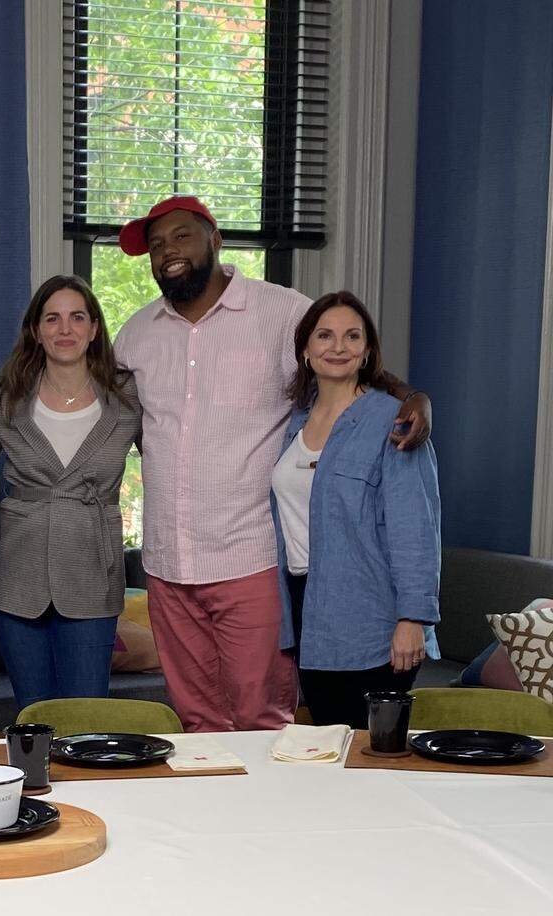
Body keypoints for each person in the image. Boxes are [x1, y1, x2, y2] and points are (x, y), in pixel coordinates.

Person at [113, 195, 432, 732]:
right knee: (196, 722)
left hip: (251, 559)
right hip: (168, 564)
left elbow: (346, 358)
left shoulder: (281, 312)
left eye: (181, 236)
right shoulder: (136, 333)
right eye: (157, 244)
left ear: (216, 240)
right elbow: (83, 386)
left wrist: (415, 399)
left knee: (263, 719)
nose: (168, 251)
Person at [271, 291, 440, 728]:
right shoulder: (294, 421)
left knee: (374, 759)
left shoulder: (394, 422)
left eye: (352, 336)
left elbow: (416, 528)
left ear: (366, 351)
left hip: (374, 618)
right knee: (330, 752)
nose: (338, 346)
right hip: (308, 612)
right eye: (325, 335)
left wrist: (412, 618)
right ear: (306, 349)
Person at [0, 275, 140, 711]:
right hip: (18, 575)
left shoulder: (128, 395)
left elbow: (172, 464)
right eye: (52, 318)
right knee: (33, 716)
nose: (64, 329)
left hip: (93, 571)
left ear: (93, 328)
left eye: (76, 317)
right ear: (36, 329)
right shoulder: (4, 393)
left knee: (87, 716)